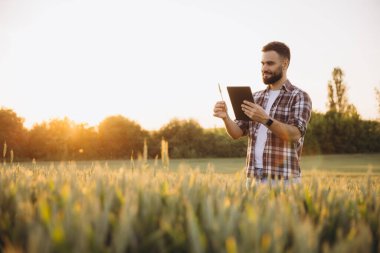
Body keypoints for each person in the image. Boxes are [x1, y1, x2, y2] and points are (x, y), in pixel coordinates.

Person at [213, 41, 312, 187]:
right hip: (253, 179)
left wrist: (266, 119)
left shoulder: (299, 96)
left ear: (284, 64)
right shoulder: (255, 97)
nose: (264, 68)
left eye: (270, 63)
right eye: (262, 63)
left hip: (284, 180)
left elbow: (295, 134)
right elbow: (237, 133)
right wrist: (226, 118)